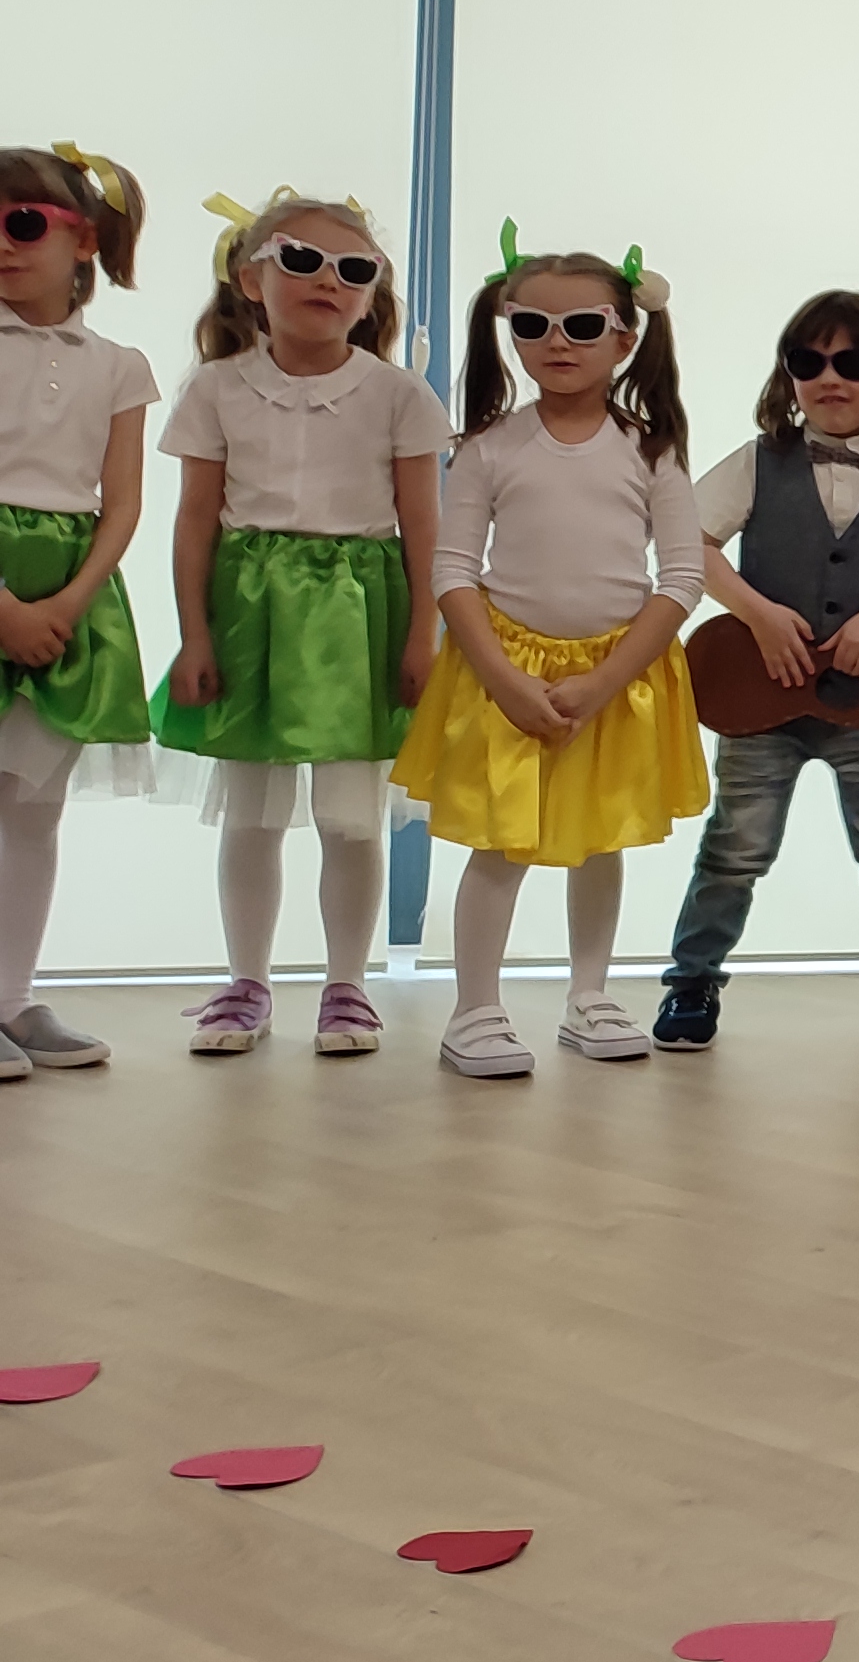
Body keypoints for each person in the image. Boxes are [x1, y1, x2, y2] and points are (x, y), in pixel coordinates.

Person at [396, 234, 703, 1079]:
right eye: (532, 325)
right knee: (500, 842)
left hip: (619, 676)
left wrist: (604, 681)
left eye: (582, 325)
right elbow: (453, 572)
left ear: (625, 337)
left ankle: (589, 994)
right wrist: (503, 680)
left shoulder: (653, 450)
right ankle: (475, 1009)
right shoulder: (489, 447)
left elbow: (682, 578)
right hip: (505, 673)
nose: (556, 342)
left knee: (601, 840)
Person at [150, 192, 445, 1058]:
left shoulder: (397, 393)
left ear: (372, 293)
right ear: (252, 278)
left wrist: (423, 635)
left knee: (352, 815)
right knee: (252, 813)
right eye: (302, 260)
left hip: (359, 613)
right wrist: (195, 634)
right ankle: (246, 982)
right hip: (252, 609)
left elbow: (425, 525)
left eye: (354, 269)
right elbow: (194, 521)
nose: (329, 281)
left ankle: (347, 985)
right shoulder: (216, 388)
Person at [654, 292, 859, 1046]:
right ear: (787, 375)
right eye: (809, 361)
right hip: (761, 703)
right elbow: (691, 544)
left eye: (852, 362)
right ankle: (691, 981)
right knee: (736, 846)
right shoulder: (757, 464)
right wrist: (758, 614)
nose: (830, 378)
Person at [0, 143, 153, 1082]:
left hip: (69, 590)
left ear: (84, 239)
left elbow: (122, 502)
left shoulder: (119, 366)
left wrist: (65, 602)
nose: (4, 244)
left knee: (33, 805)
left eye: (23, 224)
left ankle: (13, 996)